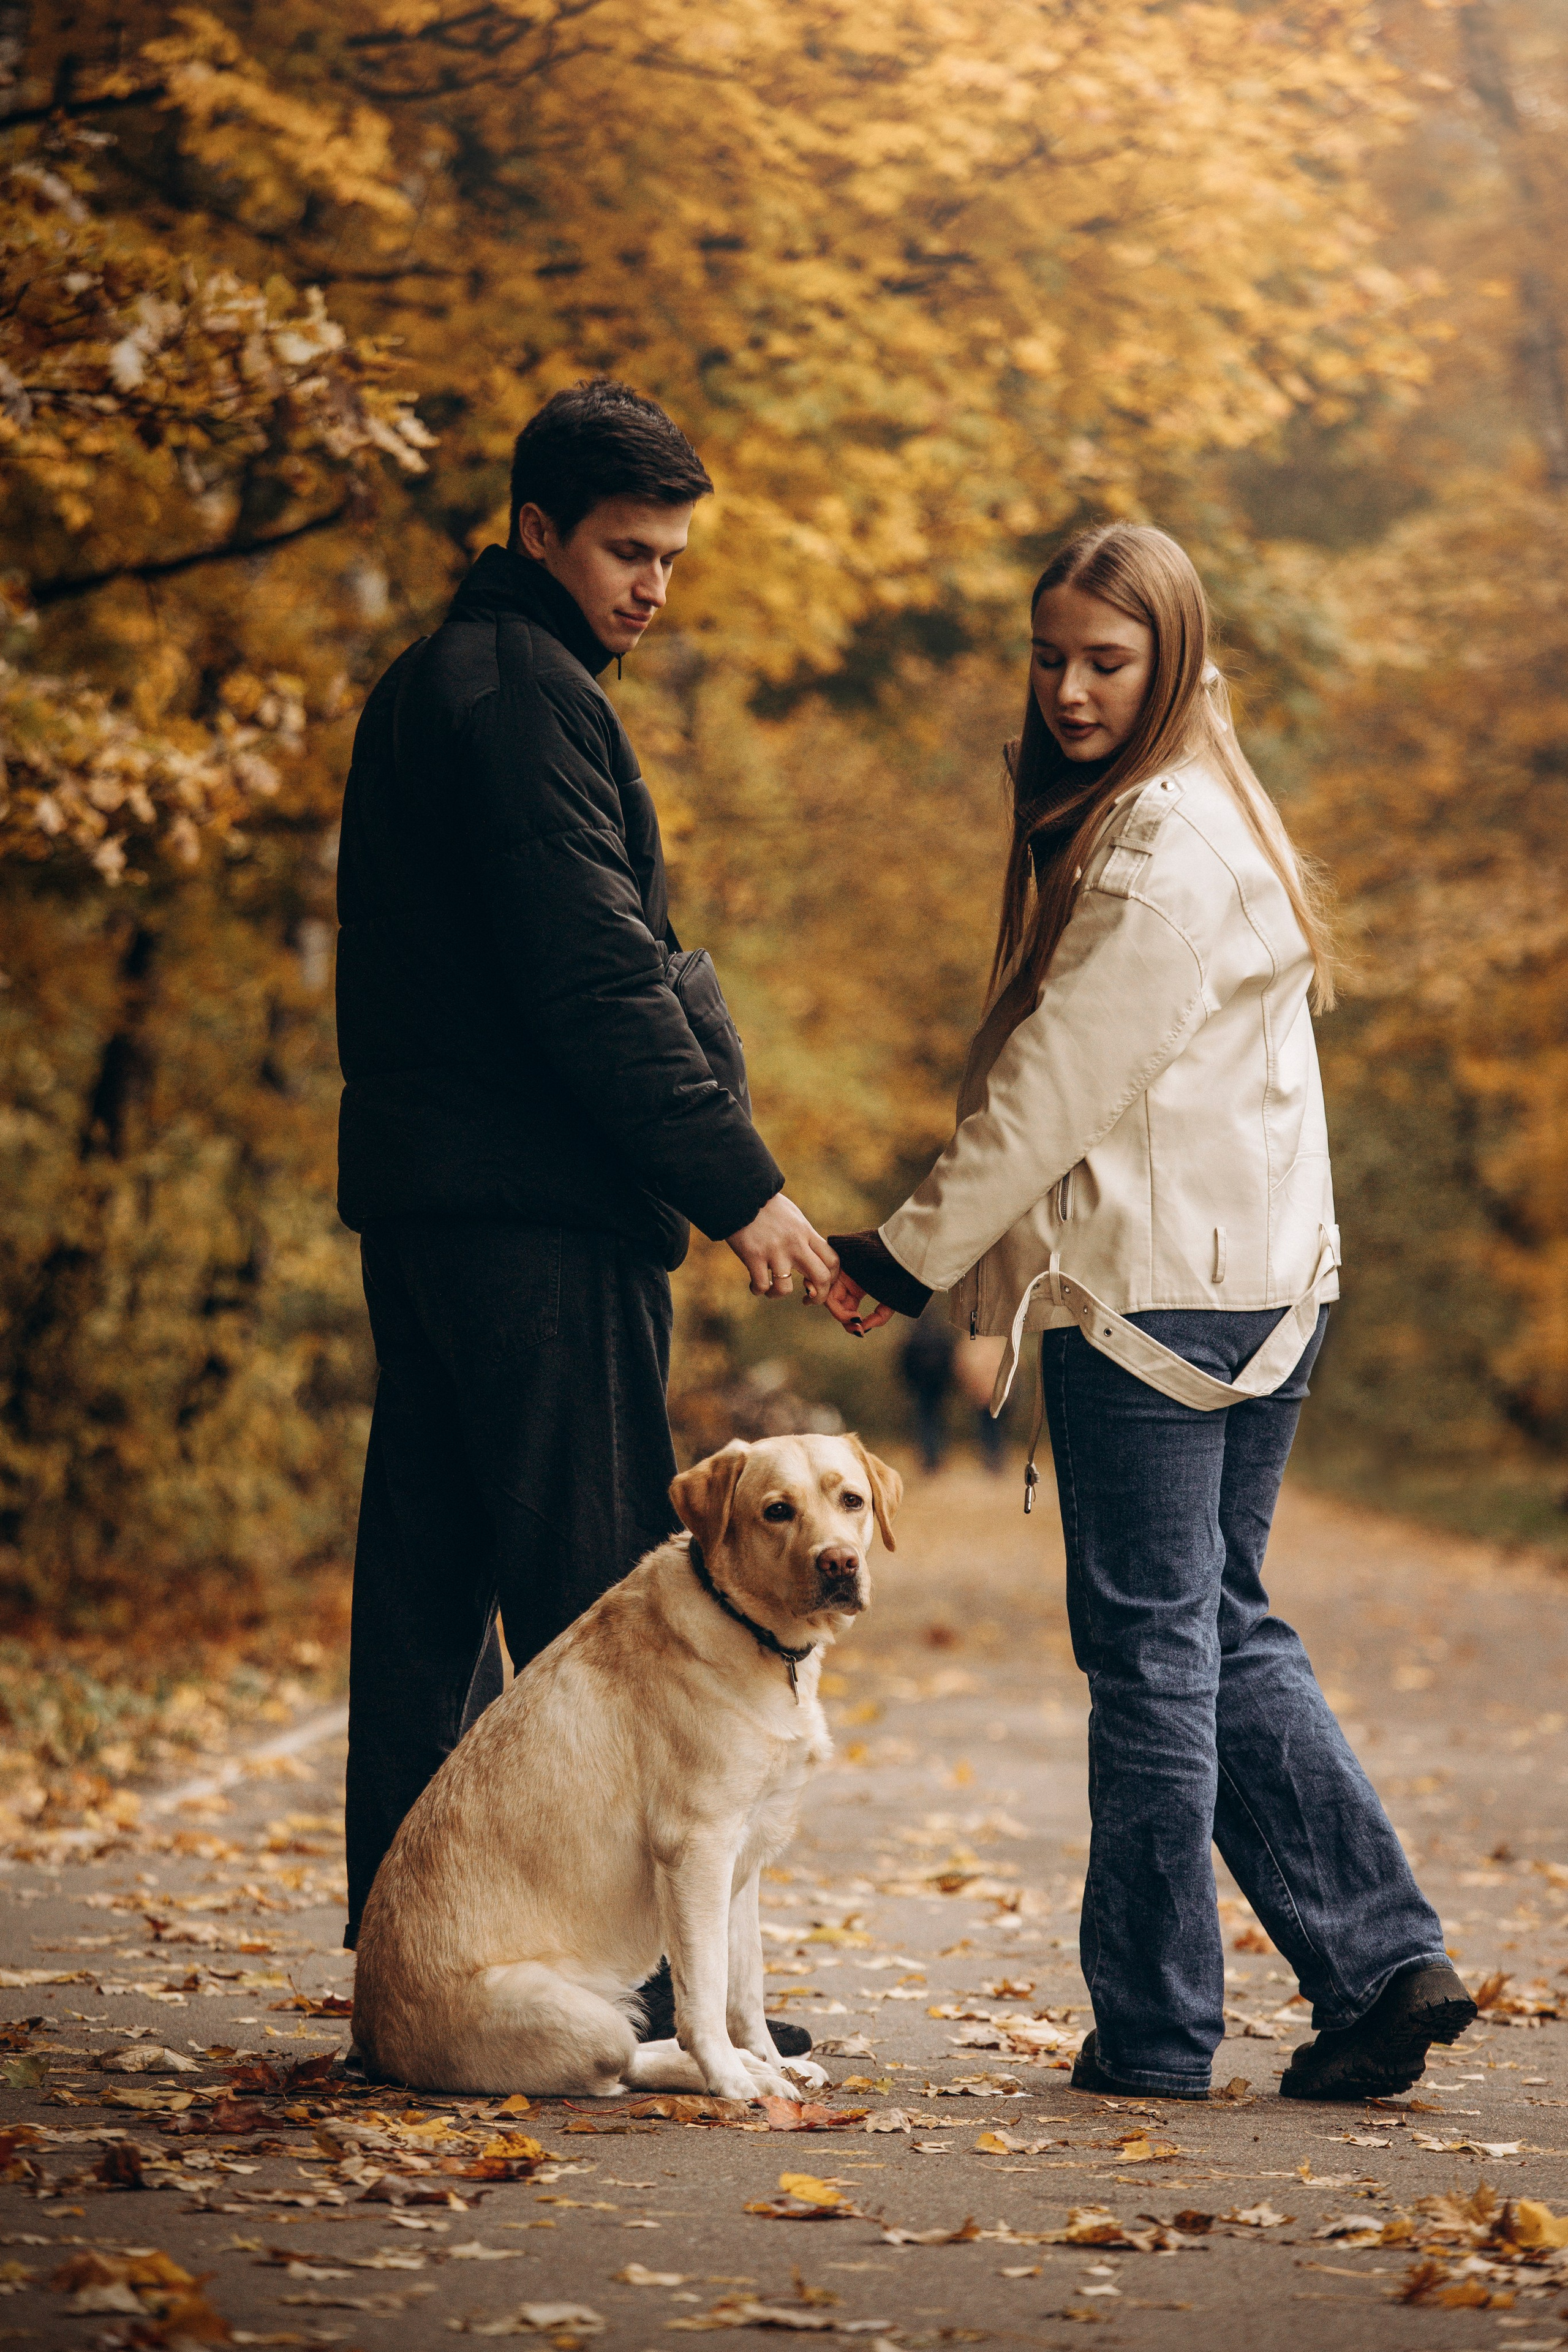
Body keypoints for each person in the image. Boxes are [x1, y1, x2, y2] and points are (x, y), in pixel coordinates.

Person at [820, 523, 1476, 2103]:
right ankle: (1382, 1962)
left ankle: (1157, 2029)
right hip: (1265, 1281)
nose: (1065, 688)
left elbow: (1049, 1093)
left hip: (1152, 1305)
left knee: (1149, 1649)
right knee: (1217, 1618)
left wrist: (903, 1258)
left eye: (1103, 661)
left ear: (1168, 655)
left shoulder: (1152, 850)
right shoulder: (1213, 803)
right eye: (1048, 657)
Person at [334, 380, 837, 1965]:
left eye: (672, 557)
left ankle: (419, 1965)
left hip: (437, 1209)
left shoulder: (440, 681)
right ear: (534, 528)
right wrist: (738, 1185)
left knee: (425, 1601)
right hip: (535, 1219)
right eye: (625, 549)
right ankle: (609, 1983)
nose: (652, 586)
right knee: (603, 1614)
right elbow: (595, 980)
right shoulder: (524, 698)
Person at [900, 1300, 957, 1472]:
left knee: (924, 1423)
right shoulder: (942, 1337)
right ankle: (938, 1458)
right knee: (938, 1422)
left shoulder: (913, 1338)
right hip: (939, 1389)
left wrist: (910, 1383)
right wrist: (949, 1384)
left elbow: (905, 1363)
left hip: (921, 1389)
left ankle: (929, 1460)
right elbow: (950, 1362)